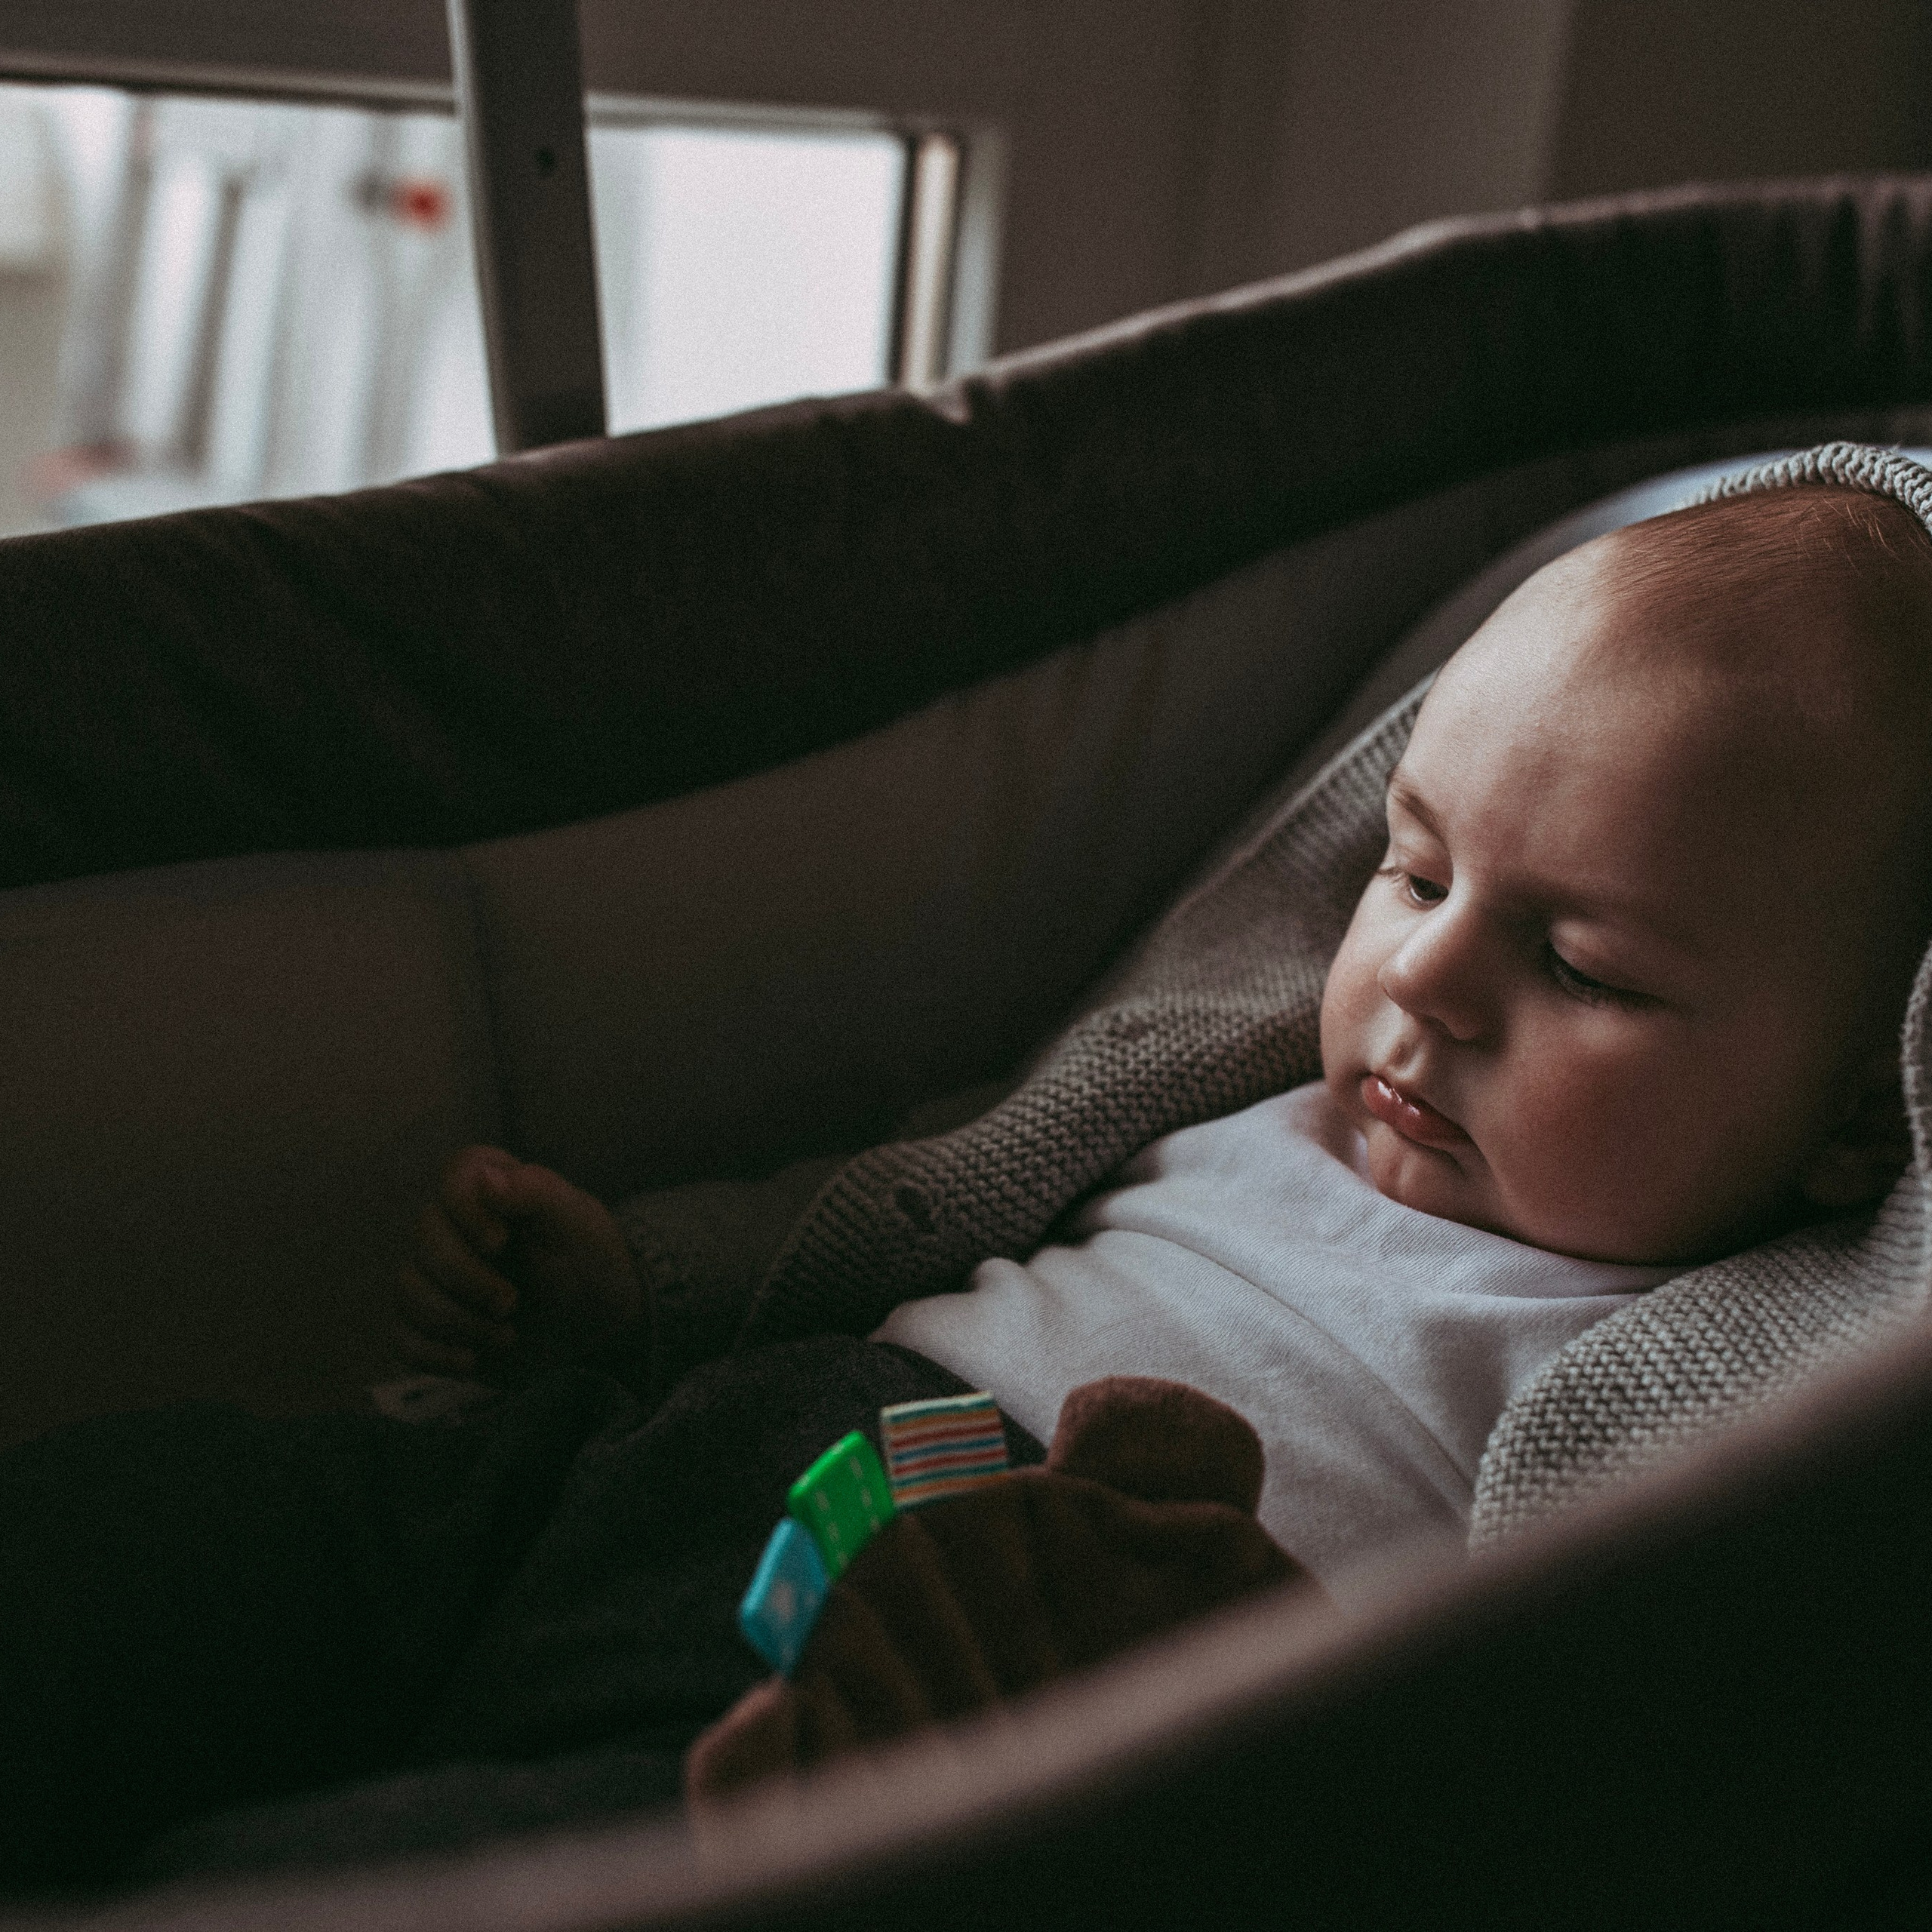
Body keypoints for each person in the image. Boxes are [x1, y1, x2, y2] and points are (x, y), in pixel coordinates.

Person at [8, 447, 1932, 1890]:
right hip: (686, 1457)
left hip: (934, 1716)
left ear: (1859, 1104)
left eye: (1583, 966)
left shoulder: (1734, 1379)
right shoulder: (1255, 1075)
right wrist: (653, 1282)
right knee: (193, 1541)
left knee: (431, 1868)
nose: (1422, 974)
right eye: (1412, 869)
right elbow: (927, 1179)